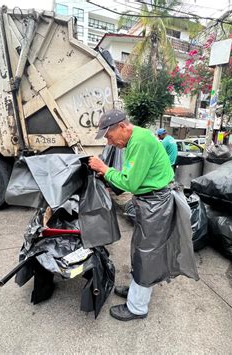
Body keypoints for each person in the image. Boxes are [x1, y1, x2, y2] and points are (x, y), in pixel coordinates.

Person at [88, 109, 198, 321]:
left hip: (156, 203)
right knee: (140, 249)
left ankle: (137, 307)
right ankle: (135, 291)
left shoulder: (140, 141)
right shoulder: (134, 138)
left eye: (109, 137)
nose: (110, 143)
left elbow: (130, 183)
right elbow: (132, 176)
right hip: (150, 201)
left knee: (147, 253)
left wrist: (103, 169)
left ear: (122, 127)